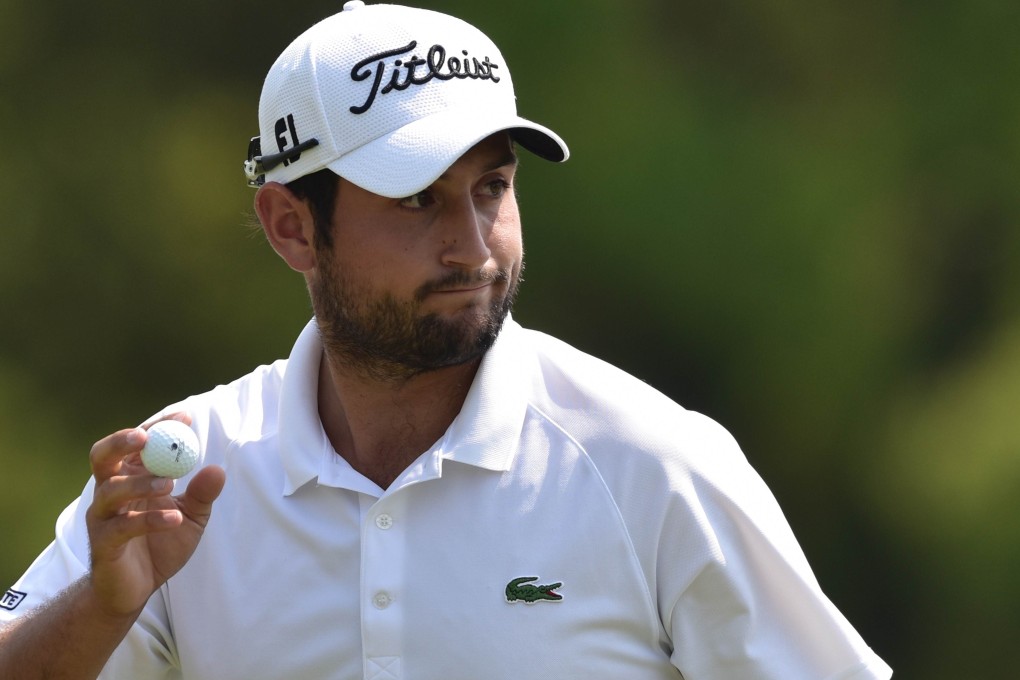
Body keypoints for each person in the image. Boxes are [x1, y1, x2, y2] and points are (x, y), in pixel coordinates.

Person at [0, 2, 893, 678]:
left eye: (491, 189)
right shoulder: (192, 474)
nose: (473, 247)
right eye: (416, 198)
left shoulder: (654, 464)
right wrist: (100, 609)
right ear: (291, 226)